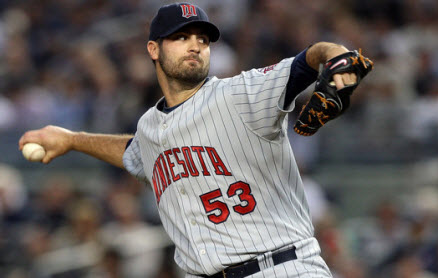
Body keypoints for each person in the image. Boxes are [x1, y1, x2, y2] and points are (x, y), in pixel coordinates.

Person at [19, 3, 368, 277]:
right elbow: (135, 153)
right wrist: (71, 139)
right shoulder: (150, 127)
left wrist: (336, 58)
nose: (195, 46)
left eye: (202, 39)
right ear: (154, 49)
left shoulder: (239, 93)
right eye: (181, 37)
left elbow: (313, 56)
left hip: (281, 267)